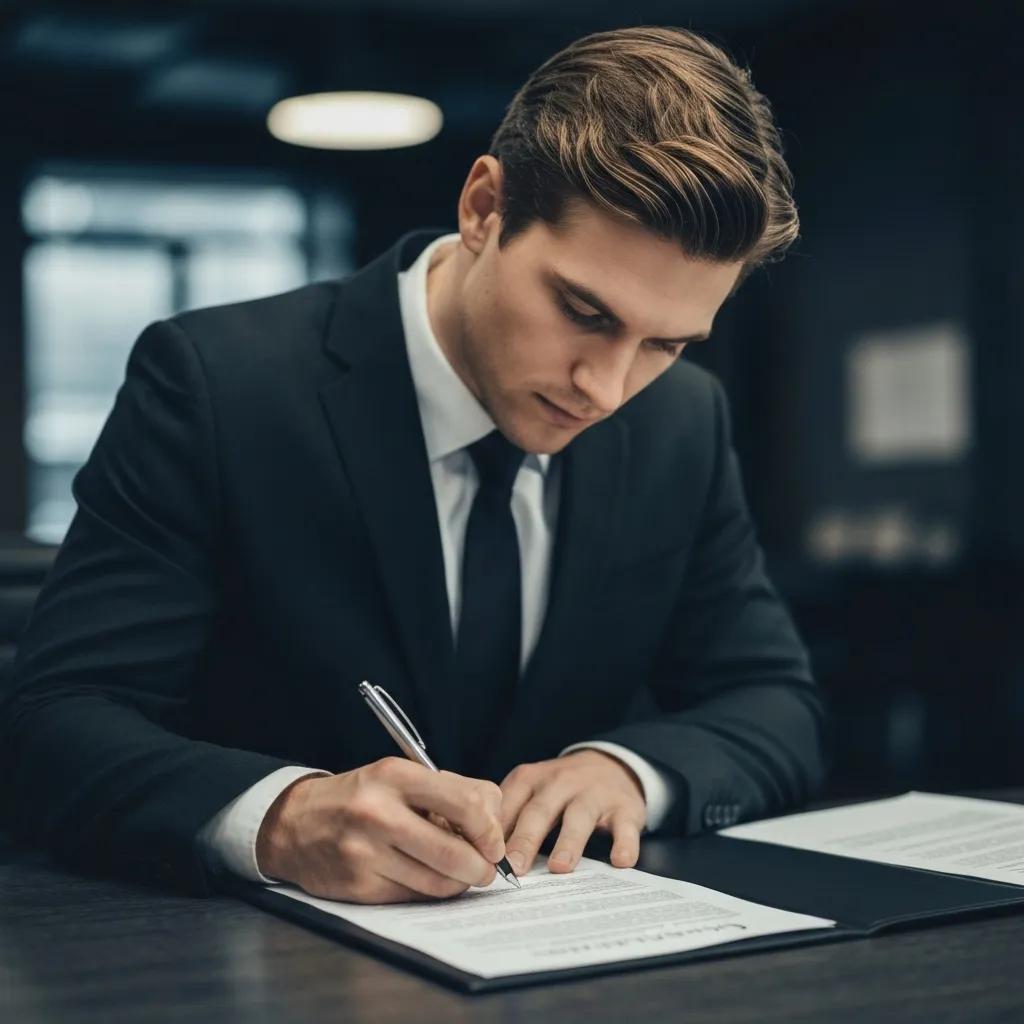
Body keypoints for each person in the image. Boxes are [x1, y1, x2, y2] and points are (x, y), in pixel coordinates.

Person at [0, 26, 826, 904]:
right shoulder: (214, 385)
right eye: (583, 310)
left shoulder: (683, 423)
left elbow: (776, 705)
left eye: (665, 342)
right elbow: (57, 725)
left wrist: (629, 771)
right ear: (483, 208)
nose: (608, 387)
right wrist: (284, 819)